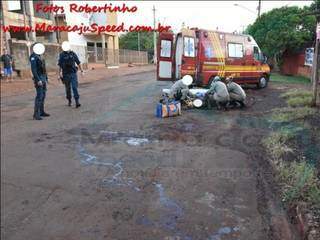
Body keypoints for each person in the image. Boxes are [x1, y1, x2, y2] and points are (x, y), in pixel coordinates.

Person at [58, 41, 84, 108]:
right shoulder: (62, 55)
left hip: (73, 73)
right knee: (68, 89)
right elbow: (60, 65)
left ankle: (77, 102)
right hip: (65, 74)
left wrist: (82, 71)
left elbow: (78, 62)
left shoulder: (73, 54)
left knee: (74, 87)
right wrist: (59, 74)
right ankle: (69, 100)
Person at [30, 43, 50, 120]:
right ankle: (36, 114)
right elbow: (33, 70)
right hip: (39, 79)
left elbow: (44, 68)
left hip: (43, 78)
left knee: (43, 95)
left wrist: (47, 78)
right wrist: (38, 80)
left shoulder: (40, 56)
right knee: (39, 96)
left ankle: (41, 112)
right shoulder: (33, 57)